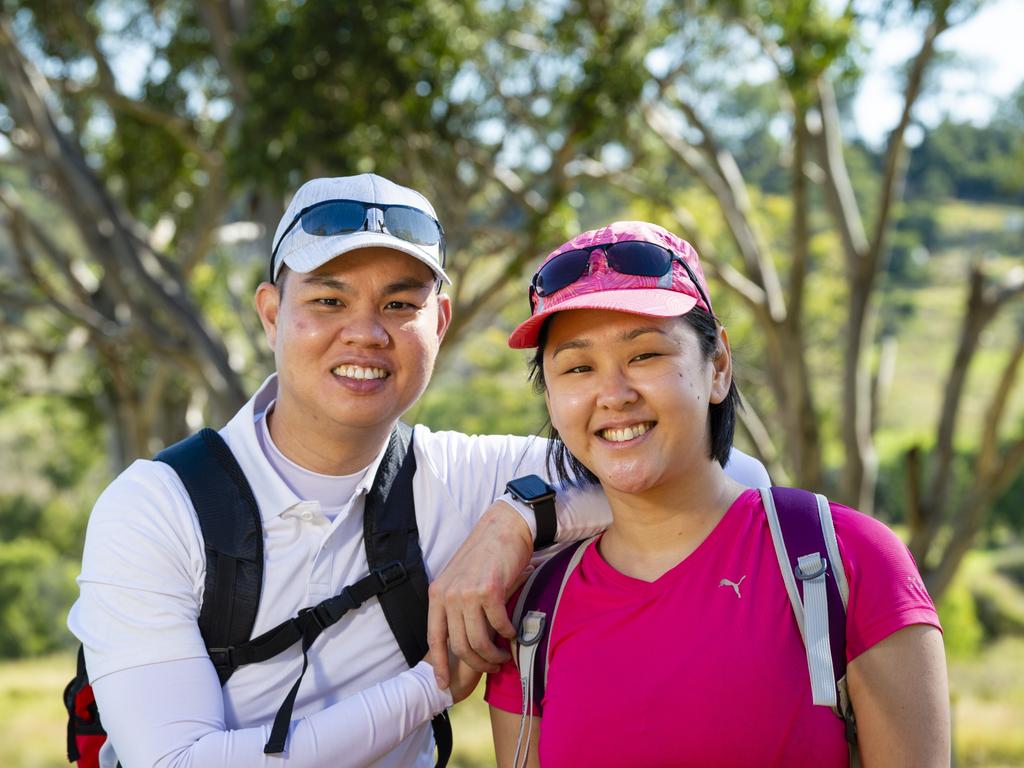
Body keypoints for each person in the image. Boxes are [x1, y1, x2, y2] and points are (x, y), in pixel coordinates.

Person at [67, 176, 769, 768]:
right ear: (271, 313)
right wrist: (432, 684)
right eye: (329, 300)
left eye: (400, 304)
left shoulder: (465, 476)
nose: (366, 333)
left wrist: (520, 518)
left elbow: (731, 476)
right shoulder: (158, 508)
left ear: (441, 321)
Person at [480, 221, 950, 767]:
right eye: (578, 367)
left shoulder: (843, 560)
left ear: (718, 366)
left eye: (645, 355)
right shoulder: (537, 614)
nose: (613, 394)